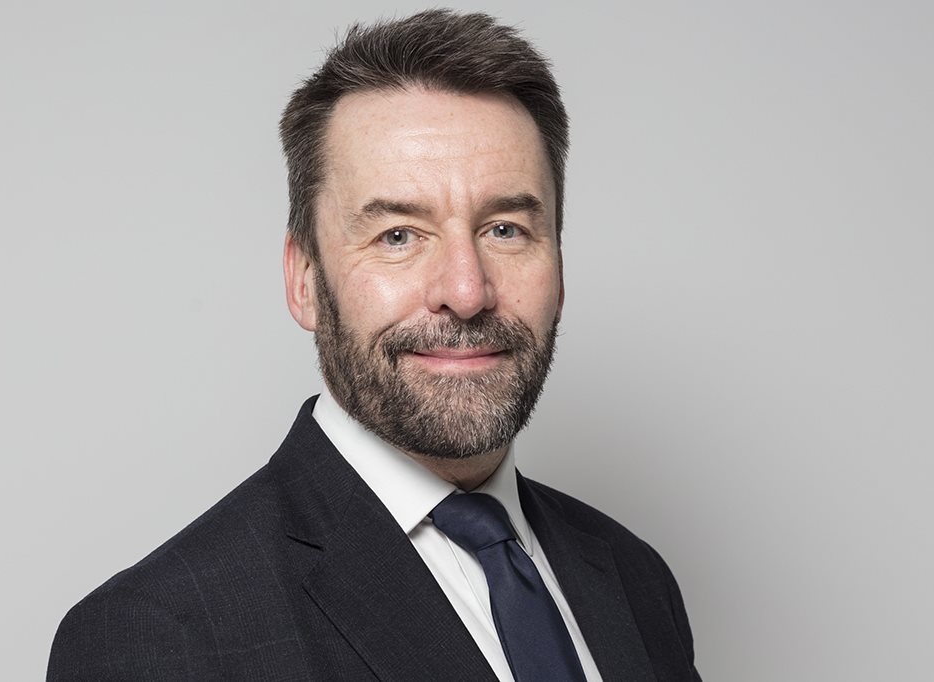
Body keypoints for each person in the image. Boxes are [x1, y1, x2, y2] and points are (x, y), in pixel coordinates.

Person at [47, 10, 700, 681]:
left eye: (505, 229)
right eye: (398, 236)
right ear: (305, 279)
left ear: (558, 264)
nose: (466, 291)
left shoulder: (634, 578)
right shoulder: (158, 639)